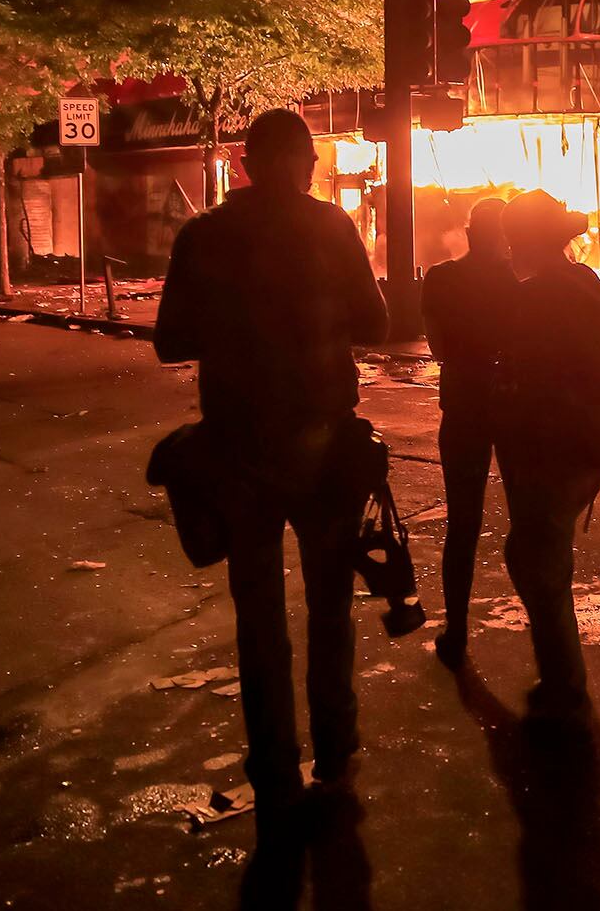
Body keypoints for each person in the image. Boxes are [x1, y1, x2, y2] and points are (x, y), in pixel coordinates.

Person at [153, 109, 389, 831]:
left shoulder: (204, 236)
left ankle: (275, 768)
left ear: (250, 163)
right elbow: (377, 324)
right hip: (323, 447)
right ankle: (337, 751)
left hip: (238, 452)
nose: (316, 169)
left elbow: (169, 341)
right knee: (329, 608)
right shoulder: (330, 228)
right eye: (312, 158)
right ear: (295, 160)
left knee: (258, 617)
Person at [497, 189, 600, 723]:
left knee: (536, 558)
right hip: (593, 445)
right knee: (541, 555)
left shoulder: (537, 299)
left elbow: (527, 385)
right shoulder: (588, 284)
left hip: (555, 449)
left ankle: (565, 685)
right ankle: (563, 678)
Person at [420, 196, 517, 669]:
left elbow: (437, 344)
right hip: (516, 405)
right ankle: (547, 640)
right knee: (531, 524)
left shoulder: (441, 279)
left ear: (469, 232)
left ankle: (455, 632)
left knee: (462, 525)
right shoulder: (520, 282)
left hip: (462, 404)